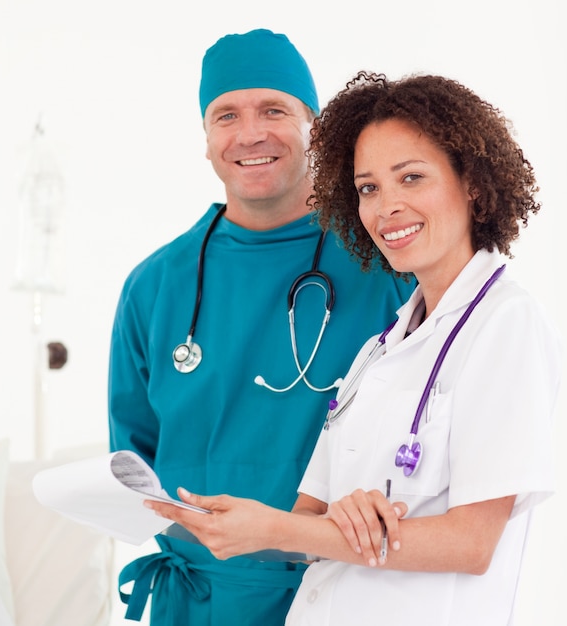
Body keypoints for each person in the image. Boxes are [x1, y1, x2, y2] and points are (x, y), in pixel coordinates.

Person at [145, 72, 562, 625]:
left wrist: (277, 528)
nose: (386, 206)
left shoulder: (506, 323)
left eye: (411, 178)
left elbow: (471, 543)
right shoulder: (381, 349)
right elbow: (308, 519)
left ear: (474, 186)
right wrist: (318, 519)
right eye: (368, 188)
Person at [108, 33, 414, 626]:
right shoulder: (154, 286)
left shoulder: (385, 266)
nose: (250, 134)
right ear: (206, 139)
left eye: (274, 110)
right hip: (196, 600)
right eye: (227, 115)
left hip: (338, 590)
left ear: (315, 130)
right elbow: (133, 459)